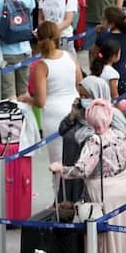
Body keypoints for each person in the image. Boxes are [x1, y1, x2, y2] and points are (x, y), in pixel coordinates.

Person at [51, 99, 126, 253]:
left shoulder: (94, 141)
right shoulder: (121, 135)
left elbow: (82, 169)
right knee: (122, 239)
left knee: (103, 242)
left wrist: (60, 169)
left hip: (103, 194)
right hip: (124, 189)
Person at [31, 21, 83, 166]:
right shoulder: (69, 57)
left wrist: (27, 99)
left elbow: (40, 101)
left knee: (58, 163)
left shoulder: (41, 66)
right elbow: (80, 84)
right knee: (77, 160)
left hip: (53, 115)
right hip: (74, 109)